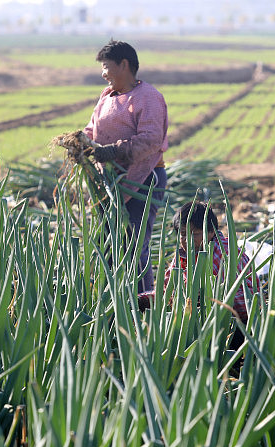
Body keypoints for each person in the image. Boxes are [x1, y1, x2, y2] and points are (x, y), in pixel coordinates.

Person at [83, 40, 168, 293]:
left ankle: (140, 303)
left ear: (124, 65)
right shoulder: (106, 96)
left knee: (134, 244)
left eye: (106, 67)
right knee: (109, 243)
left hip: (141, 180)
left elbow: (151, 139)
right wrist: (81, 142)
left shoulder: (148, 97)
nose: (103, 73)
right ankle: (111, 298)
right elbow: (92, 128)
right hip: (109, 183)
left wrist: (112, 151)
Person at [139, 202, 255, 349]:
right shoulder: (182, 255)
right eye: (182, 234)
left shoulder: (225, 254)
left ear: (211, 231)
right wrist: (143, 300)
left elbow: (248, 302)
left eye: (195, 234)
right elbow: (166, 291)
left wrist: (207, 298)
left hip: (234, 326)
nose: (187, 240)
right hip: (197, 323)